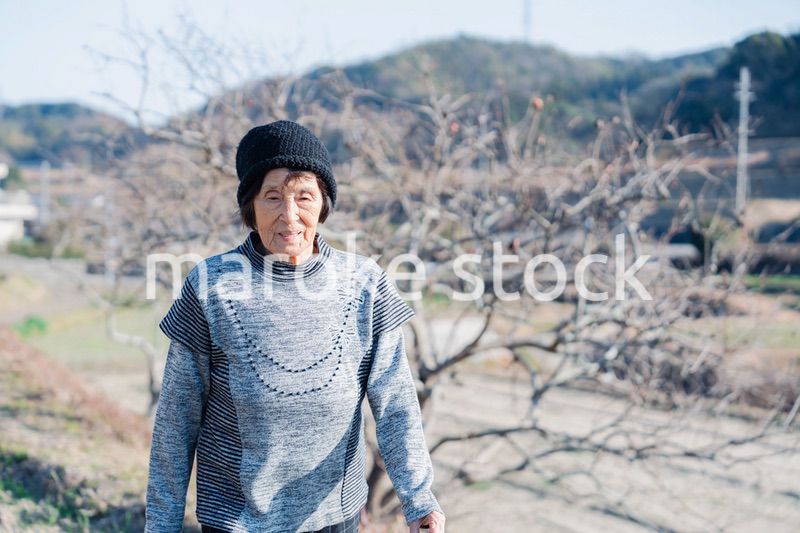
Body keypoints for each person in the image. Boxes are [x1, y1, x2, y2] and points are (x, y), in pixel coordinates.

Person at [145, 120, 446, 533]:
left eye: (304, 196)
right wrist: (161, 526)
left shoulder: (364, 283)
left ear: (323, 203)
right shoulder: (210, 286)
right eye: (272, 197)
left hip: (334, 518)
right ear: (250, 208)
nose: (290, 215)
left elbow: (395, 404)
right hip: (236, 520)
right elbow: (176, 422)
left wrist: (419, 500)